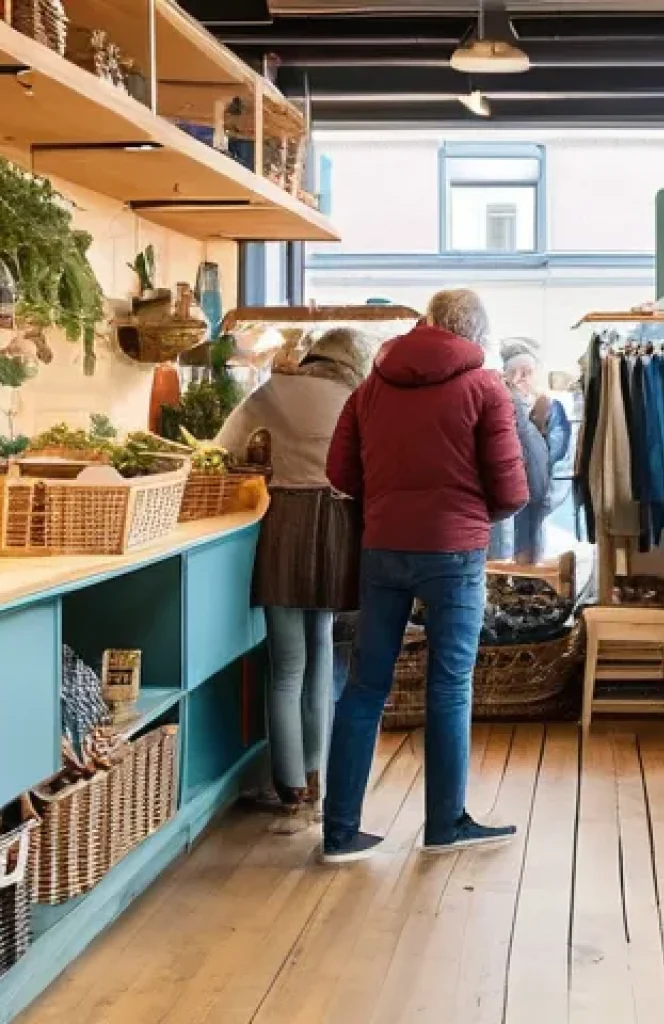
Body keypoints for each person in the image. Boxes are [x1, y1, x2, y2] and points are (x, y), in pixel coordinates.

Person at [321, 289, 528, 863]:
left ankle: (338, 832)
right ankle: (445, 825)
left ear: (429, 324)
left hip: (383, 548)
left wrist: (389, 501)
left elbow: (340, 472)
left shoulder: (370, 387)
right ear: (476, 336)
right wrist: (468, 512)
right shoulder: (486, 387)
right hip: (455, 553)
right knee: (449, 686)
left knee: (364, 689)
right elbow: (511, 491)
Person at [216, 327, 371, 818]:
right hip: (335, 527)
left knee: (286, 666)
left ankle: (286, 787)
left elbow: (225, 448)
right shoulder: (356, 397)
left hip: (282, 524)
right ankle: (315, 773)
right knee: (322, 655)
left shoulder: (271, 391)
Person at [489, 337, 572, 564]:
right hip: (499, 511)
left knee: (530, 565)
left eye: (527, 372)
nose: (520, 379)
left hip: (535, 508)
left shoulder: (549, 407)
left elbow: (558, 460)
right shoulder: (495, 405)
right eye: (514, 372)